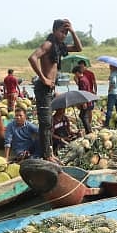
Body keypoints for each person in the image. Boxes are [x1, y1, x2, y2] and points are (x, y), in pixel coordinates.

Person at [28, 18, 83, 159]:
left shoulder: (59, 47)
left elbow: (79, 48)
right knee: (45, 123)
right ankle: (47, 155)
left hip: (50, 89)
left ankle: (49, 150)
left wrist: (72, 31)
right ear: (54, 31)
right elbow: (32, 58)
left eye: (65, 32)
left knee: (48, 122)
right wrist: (43, 78)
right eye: (62, 32)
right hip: (43, 88)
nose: (64, 35)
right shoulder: (48, 44)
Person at [72, 59, 96, 133]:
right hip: (87, 99)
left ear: (77, 73)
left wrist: (84, 102)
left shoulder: (82, 80)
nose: (75, 75)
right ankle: (88, 130)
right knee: (83, 115)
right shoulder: (84, 79)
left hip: (85, 100)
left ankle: (89, 131)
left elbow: (83, 92)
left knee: (83, 116)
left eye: (75, 74)